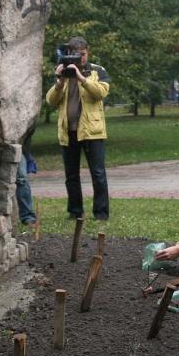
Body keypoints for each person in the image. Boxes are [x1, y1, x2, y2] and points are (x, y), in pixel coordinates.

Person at [45, 37, 111, 220]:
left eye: (83, 54)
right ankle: (75, 212)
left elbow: (101, 93)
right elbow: (51, 101)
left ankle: (101, 214)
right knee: (71, 175)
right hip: (68, 131)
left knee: (98, 174)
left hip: (92, 131)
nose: (80, 59)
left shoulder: (97, 70)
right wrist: (59, 81)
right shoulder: (64, 73)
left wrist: (81, 78)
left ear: (87, 52)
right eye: (75, 55)